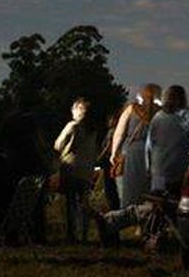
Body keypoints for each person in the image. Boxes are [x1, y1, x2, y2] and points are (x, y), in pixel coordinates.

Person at [145, 85, 189, 196]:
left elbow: (149, 145)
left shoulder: (157, 117)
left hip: (158, 170)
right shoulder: (186, 116)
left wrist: (148, 167)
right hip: (178, 169)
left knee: (157, 201)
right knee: (176, 201)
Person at [53, 98, 100, 243]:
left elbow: (58, 145)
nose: (72, 111)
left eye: (74, 108)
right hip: (87, 170)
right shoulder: (93, 130)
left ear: (79, 110)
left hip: (71, 167)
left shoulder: (72, 126)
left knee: (71, 202)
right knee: (84, 202)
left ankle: (72, 234)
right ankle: (85, 234)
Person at [110, 84, 158, 209]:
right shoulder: (161, 113)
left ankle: (127, 216)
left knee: (127, 189)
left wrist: (114, 153)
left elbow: (119, 133)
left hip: (131, 153)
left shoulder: (132, 109)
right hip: (152, 155)